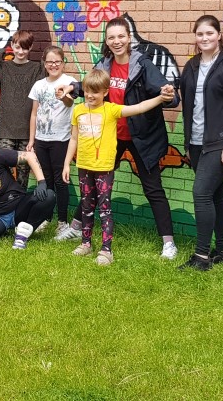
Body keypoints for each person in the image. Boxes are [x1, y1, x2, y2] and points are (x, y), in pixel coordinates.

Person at [54, 18, 181, 261]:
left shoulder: (142, 64)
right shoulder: (104, 63)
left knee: (153, 188)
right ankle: (76, 227)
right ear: (107, 41)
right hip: (111, 136)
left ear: (128, 37)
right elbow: (89, 86)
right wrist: (71, 88)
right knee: (91, 180)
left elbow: (165, 92)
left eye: (121, 36)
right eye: (111, 37)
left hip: (141, 136)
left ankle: (168, 243)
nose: (116, 41)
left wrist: (169, 95)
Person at [61, 69, 174, 266]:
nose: (90, 96)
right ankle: (85, 244)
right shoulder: (78, 110)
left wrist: (160, 98)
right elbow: (73, 139)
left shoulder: (112, 110)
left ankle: (106, 250)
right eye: (87, 91)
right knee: (87, 206)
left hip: (104, 168)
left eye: (95, 92)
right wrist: (66, 164)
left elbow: (139, 107)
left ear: (105, 92)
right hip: (84, 167)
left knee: (104, 209)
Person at [179, 15, 223, 272]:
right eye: (200, 34)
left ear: (219, 35)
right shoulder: (192, 65)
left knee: (201, 193)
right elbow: (184, 99)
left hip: (220, 142)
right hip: (196, 143)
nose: (205, 38)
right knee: (215, 194)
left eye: (210, 33)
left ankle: (201, 256)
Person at [0, 30, 46, 188]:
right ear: (12, 45)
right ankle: (6, 201)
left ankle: (20, 203)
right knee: (4, 169)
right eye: (17, 47)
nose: (20, 52)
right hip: (6, 128)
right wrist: (0, 54)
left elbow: (43, 92)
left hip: (26, 130)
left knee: (23, 171)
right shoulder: (4, 67)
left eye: (25, 48)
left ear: (30, 48)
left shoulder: (36, 68)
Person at [27, 46, 76, 234]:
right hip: (41, 140)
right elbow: (33, 114)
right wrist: (32, 139)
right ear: (44, 64)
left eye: (57, 61)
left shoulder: (69, 82)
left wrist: (63, 96)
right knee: (45, 181)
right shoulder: (39, 85)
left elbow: (70, 102)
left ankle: (62, 221)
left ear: (63, 63)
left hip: (61, 140)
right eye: (50, 62)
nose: (53, 65)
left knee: (60, 181)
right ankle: (45, 218)